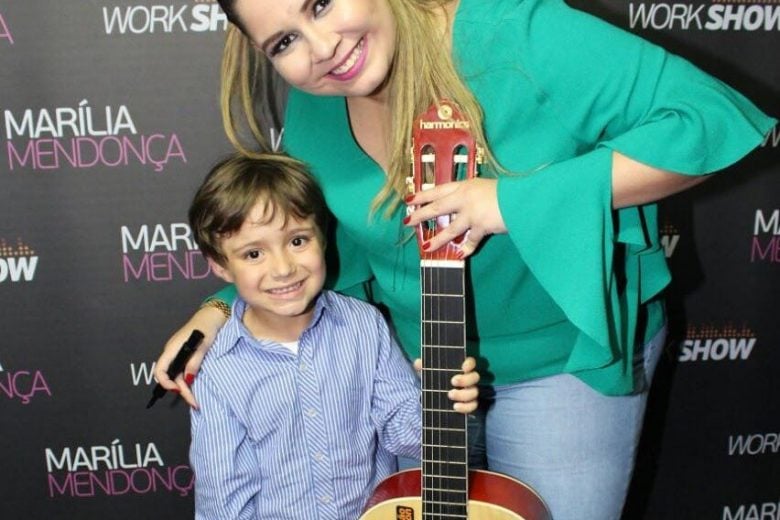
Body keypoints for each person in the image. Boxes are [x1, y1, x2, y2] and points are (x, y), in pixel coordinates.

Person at [155, 1, 777, 518]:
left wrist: (510, 202)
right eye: (285, 40)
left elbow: (710, 120)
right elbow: (314, 247)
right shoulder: (319, 100)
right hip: (414, 378)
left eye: (321, 2)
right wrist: (223, 307)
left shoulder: (515, 34)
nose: (322, 48)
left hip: (560, 360)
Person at [186, 154, 480, 519]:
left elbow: (404, 433)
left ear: (322, 237)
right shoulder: (217, 370)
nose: (283, 269)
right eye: (254, 253)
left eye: (297, 241)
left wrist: (441, 401)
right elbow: (224, 500)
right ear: (219, 266)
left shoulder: (364, 326)